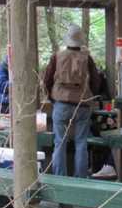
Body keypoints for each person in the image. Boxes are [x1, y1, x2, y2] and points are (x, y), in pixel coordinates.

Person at [43, 24, 101, 178]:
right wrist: (90, 96)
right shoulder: (87, 58)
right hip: (82, 103)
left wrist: (52, 97)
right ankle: (80, 178)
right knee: (81, 142)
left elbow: (47, 79)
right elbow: (96, 80)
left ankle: (59, 177)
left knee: (59, 142)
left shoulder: (57, 56)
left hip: (61, 103)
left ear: (68, 40)